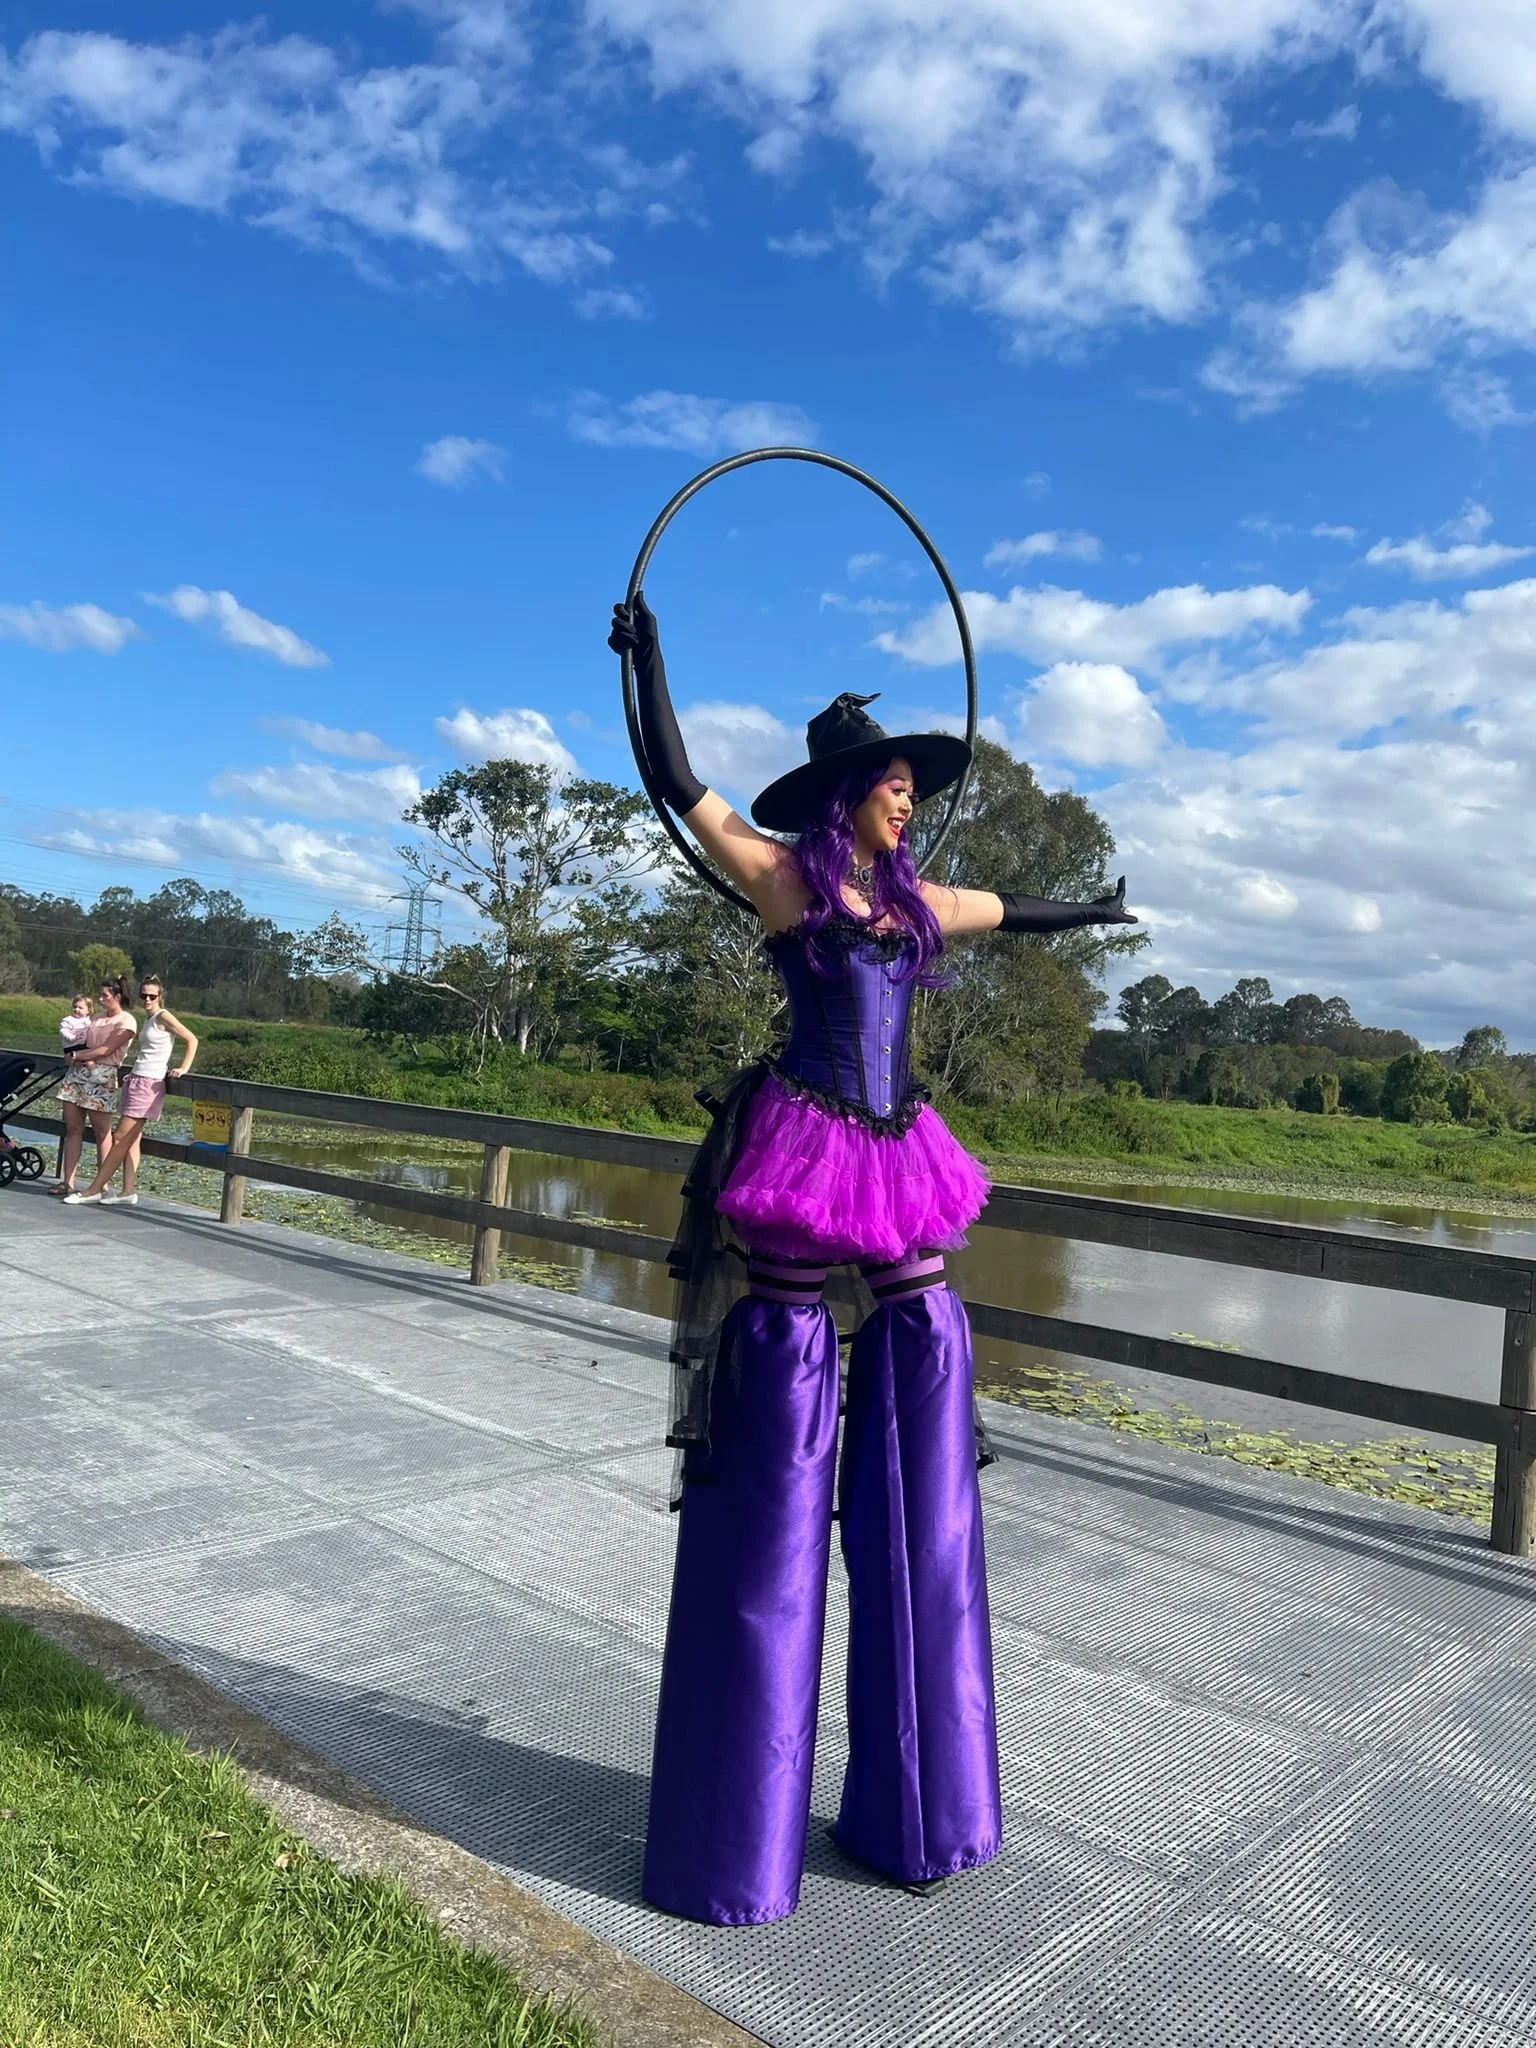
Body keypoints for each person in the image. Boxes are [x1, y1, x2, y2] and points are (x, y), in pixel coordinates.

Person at [609, 593, 1138, 1927]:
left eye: (912, 791)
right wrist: (646, 658)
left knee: (924, 1346)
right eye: (894, 790)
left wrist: (1101, 911)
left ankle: (921, 1803)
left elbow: (1017, 910)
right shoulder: (789, 881)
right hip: (808, 1142)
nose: (910, 808)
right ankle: (742, 1830)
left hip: (901, 1150)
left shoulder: (912, 903)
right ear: (848, 794)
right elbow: (682, 785)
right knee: (787, 1387)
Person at [64, 977, 197, 1207]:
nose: (147, 999)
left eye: (152, 996)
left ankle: (94, 1189)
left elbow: (192, 1039)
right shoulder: (148, 1019)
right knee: (132, 1139)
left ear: (160, 996)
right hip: (136, 1078)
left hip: (149, 1081)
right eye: (143, 995)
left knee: (119, 1137)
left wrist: (183, 1068)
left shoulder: (164, 1016)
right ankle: (127, 1190)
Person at [53, 979, 136, 1195]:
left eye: (105, 996)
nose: (100, 1000)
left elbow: (106, 1050)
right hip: (78, 1074)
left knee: (102, 1133)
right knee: (72, 1129)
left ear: (117, 997)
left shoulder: (126, 1021)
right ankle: (68, 1182)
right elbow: (77, 1041)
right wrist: (71, 1052)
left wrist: (77, 1055)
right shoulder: (96, 1018)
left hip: (102, 1076)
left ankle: (101, 1184)